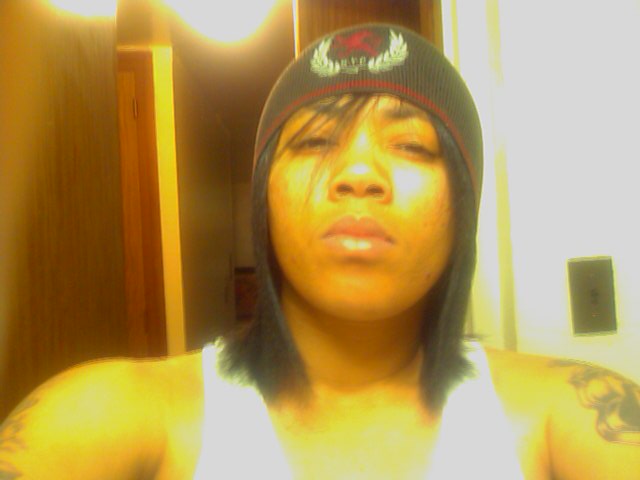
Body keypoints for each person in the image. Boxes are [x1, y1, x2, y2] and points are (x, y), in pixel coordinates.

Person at [1, 23, 638, 479]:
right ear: (263, 198)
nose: (358, 173)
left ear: (463, 206)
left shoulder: (573, 416)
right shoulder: (111, 415)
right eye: (312, 142)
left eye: (412, 146)